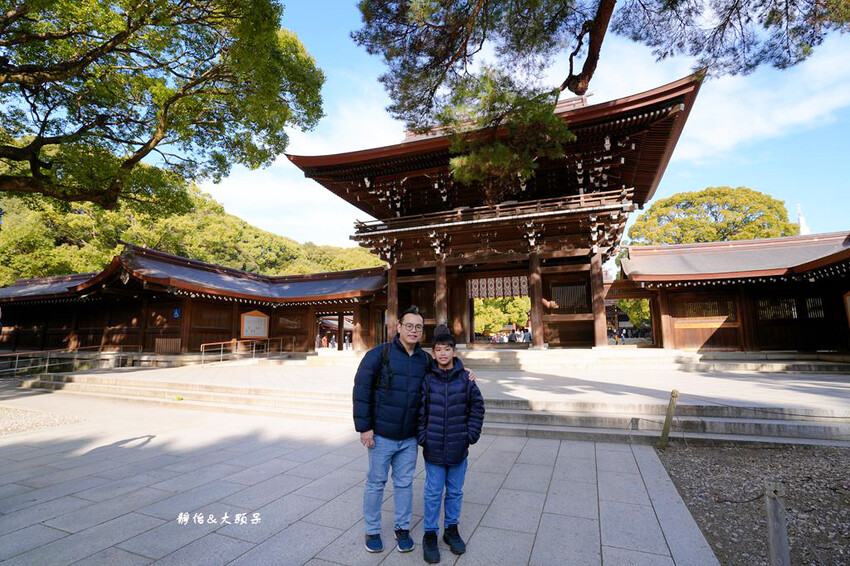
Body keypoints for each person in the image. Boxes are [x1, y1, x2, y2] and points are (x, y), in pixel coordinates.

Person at [352, 307, 475, 555]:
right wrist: (365, 427)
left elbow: (446, 370)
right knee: (376, 483)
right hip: (381, 435)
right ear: (398, 327)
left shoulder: (424, 360)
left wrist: (465, 372)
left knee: (405, 484)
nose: (413, 331)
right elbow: (361, 390)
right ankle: (373, 529)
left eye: (418, 327)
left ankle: (402, 528)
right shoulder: (379, 354)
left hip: (408, 437)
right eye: (409, 326)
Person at [418, 332, 485, 564]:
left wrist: (471, 434)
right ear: (433, 353)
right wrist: (422, 436)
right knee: (433, 492)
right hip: (434, 446)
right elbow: (420, 410)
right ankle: (430, 533)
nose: (443, 353)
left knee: (455, 492)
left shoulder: (465, 379)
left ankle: (451, 529)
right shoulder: (427, 379)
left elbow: (477, 407)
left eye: (448, 349)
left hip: (458, 446)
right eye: (439, 349)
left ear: (454, 352)